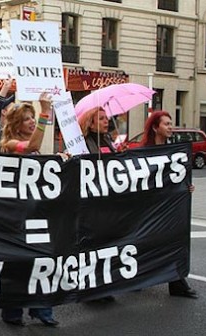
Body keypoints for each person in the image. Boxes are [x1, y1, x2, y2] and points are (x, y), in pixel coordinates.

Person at [0, 92, 59, 327]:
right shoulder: (10, 144)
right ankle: (12, 311)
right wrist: (45, 112)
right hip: (16, 214)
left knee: (42, 260)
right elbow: (33, 144)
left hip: (36, 213)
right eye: (27, 119)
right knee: (19, 262)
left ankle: (41, 309)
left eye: (33, 117)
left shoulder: (32, 149)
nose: (32, 121)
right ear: (15, 124)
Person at [139, 110, 198, 299]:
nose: (170, 127)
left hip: (169, 209)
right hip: (149, 209)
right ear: (156, 127)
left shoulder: (175, 153)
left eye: (171, 123)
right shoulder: (144, 152)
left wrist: (186, 187)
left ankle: (177, 282)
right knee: (146, 244)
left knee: (173, 242)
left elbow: (177, 177)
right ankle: (136, 277)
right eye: (166, 124)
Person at [78, 106, 116, 303]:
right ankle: (90, 288)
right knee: (92, 245)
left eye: (106, 118)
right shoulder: (85, 142)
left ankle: (103, 284)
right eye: (100, 119)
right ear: (91, 123)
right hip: (92, 202)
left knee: (106, 244)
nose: (105, 121)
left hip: (108, 201)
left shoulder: (108, 140)